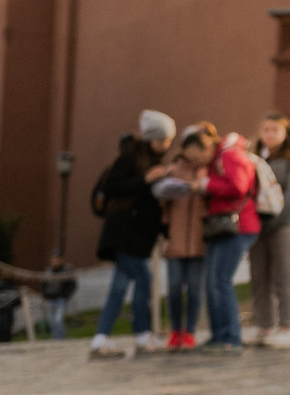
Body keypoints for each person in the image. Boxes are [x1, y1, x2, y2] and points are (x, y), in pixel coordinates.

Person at [88, 125, 168, 356]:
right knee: (144, 278)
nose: (166, 145)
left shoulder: (155, 161)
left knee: (119, 288)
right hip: (124, 233)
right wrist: (145, 179)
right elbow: (112, 187)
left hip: (135, 236)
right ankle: (142, 335)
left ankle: (100, 338)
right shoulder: (130, 159)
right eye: (162, 139)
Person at [149, 125, 216, 349]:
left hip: (199, 240)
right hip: (176, 239)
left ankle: (190, 331)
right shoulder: (173, 170)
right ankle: (175, 329)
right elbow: (161, 200)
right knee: (175, 287)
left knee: (195, 288)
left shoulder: (209, 172)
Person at [249, 114, 290, 350]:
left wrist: (276, 220)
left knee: (284, 275)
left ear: (286, 133)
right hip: (258, 224)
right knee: (259, 276)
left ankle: (287, 327)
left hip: (286, 223)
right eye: (266, 130)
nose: (269, 134)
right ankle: (265, 326)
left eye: (274, 130)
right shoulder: (255, 158)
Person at [199, 129, 260, 350]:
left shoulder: (229, 155)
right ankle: (219, 335)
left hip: (238, 226)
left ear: (206, 147)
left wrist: (207, 185)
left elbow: (238, 186)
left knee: (221, 281)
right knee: (213, 281)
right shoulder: (218, 158)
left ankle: (231, 337)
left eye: (197, 156)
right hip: (221, 226)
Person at [39, 256, 78, 340]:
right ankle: (55, 339)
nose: (55, 262)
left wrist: (66, 295)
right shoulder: (48, 271)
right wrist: (45, 295)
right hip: (50, 299)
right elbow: (44, 285)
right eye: (53, 260)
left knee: (58, 319)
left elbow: (72, 284)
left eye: (57, 260)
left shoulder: (66, 270)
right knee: (52, 320)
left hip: (61, 299)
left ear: (61, 260)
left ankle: (61, 338)